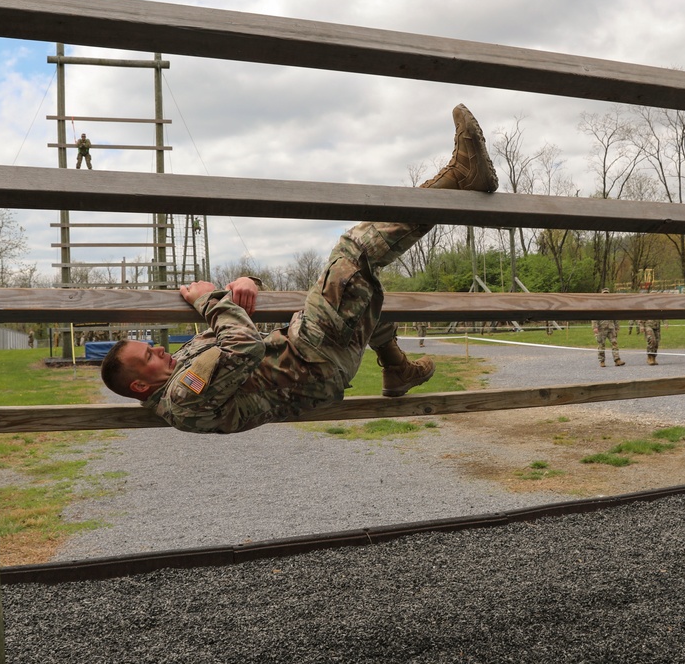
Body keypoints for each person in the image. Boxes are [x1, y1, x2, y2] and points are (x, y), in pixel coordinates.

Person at [100, 104, 498, 434]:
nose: (157, 348)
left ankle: (397, 371)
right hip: (312, 364)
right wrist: (208, 298)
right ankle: (460, 178)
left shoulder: (182, 363)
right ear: (139, 384)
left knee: (360, 288)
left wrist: (245, 282)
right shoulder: (183, 398)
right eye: (149, 354)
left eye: (150, 346)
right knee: (352, 253)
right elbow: (244, 344)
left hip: (305, 350)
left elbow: (233, 325)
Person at [592, 289, 624, 368]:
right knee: (601, 345)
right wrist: (595, 327)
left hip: (611, 327)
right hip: (601, 328)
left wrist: (617, 327)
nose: (605, 295)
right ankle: (602, 361)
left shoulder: (612, 305)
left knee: (614, 343)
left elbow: (615, 317)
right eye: (604, 294)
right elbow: (594, 316)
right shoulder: (598, 305)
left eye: (607, 294)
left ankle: (617, 360)